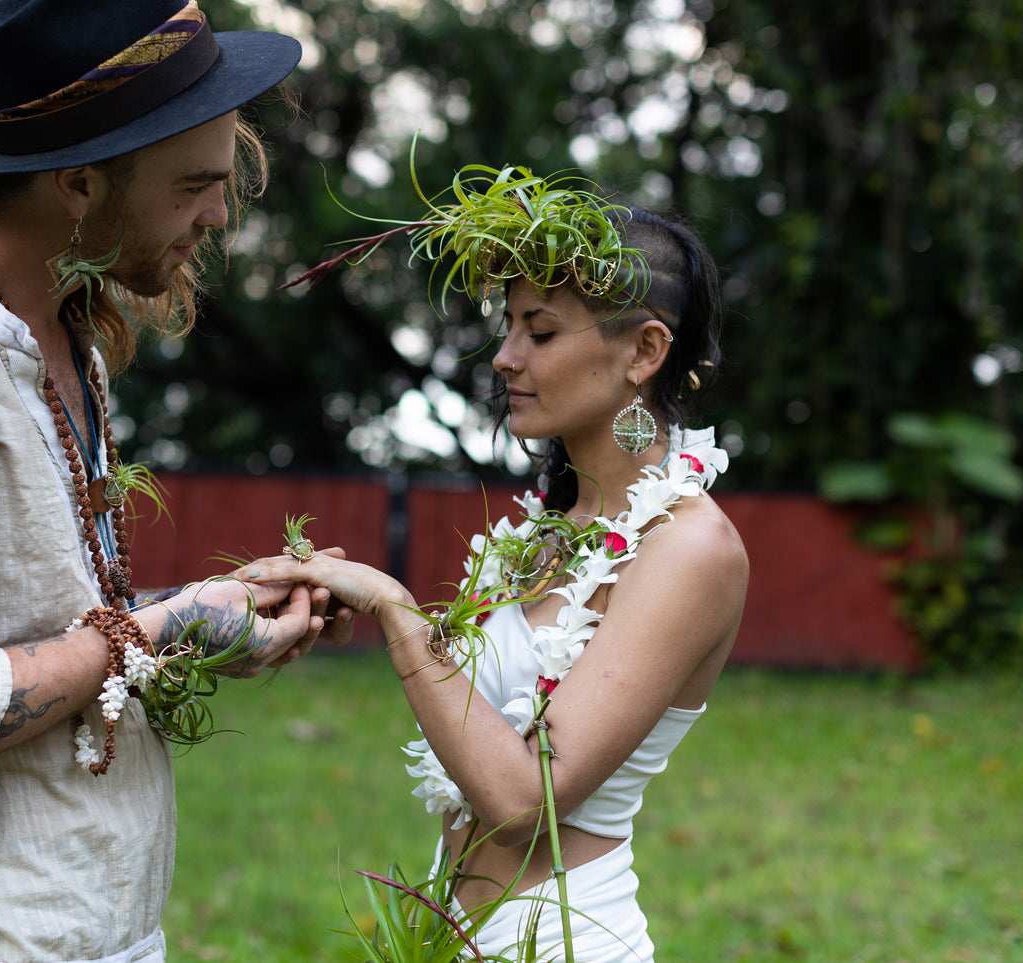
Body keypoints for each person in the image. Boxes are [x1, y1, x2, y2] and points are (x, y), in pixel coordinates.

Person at [0, 2, 351, 961]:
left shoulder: (61, 336)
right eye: (196, 186)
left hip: (83, 927)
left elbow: (44, 625)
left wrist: (208, 618)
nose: (216, 214)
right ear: (79, 182)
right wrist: (161, 627)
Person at [246, 176, 749, 961]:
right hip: (453, 931)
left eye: (540, 333)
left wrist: (395, 612)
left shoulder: (689, 547)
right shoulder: (543, 531)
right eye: (507, 325)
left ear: (644, 351)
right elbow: (474, 724)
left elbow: (523, 801)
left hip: (565, 937)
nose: (505, 358)